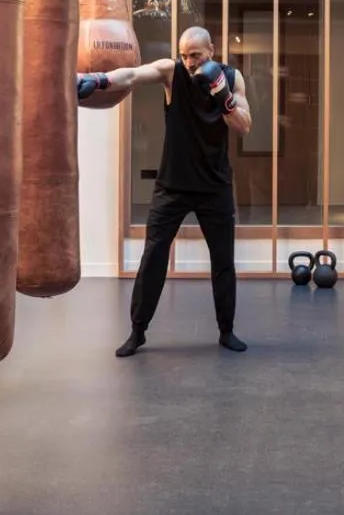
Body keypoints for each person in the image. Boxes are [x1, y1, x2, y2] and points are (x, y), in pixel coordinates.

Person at [77, 26, 253, 357]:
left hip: (214, 186)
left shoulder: (231, 77)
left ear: (211, 51)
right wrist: (98, 80)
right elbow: (131, 74)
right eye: (184, 55)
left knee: (223, 262)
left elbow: (244, 125)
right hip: (172, 185)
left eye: (196, 56)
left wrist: (223, 95)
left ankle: (226, 331)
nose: (188, 62)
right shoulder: (171, 72)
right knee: (153, 258)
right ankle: (137, 331)